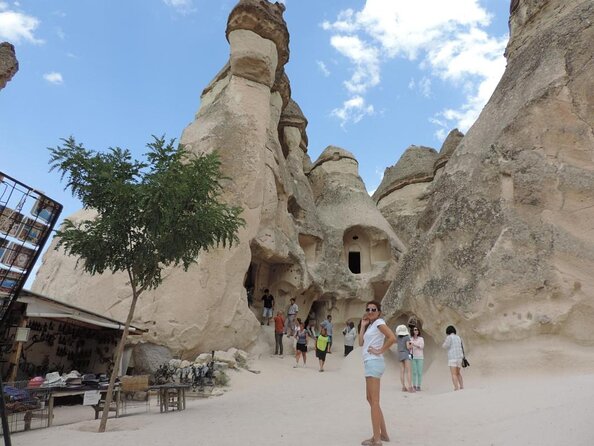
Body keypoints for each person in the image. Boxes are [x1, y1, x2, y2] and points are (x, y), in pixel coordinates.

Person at [359, 301, 396, 446]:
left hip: (374, 362)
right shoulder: (371, 326)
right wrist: (362, 325)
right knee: (370, 399)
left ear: (379, 312)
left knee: (374, 401)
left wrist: (380, 350)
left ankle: (377, 439)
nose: (370, 311)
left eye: (373, 309)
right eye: (368, 309)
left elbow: (392, 338)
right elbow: (361, 343)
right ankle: (384, 434)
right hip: (370, 362)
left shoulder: (379, 322)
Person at [442, 325, 464, 391]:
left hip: (452, 358)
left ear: (447, 331)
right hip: (459, 357)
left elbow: (445, 346)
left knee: (454, 374)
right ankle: (462, 386)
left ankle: (456, 387)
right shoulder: (458, 337)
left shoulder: (449, 337)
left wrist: (444, 342)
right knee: (458, 373)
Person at [395, 324, 413, 392]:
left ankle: (403, 387)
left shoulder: (398, 338)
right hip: (406, 354)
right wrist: (411, 344)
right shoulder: (407, 337)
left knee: (402, 371)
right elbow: (408, 347)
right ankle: (410, 387)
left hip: (399, 354)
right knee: (408, 371)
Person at [410, 326, 425, 391]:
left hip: (420, 357)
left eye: (417, 330)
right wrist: (409, 357)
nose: (416, 331)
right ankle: (414, 385)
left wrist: (414, 345)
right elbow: (409, 348)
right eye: (415, 330)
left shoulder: (421, 339)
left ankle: (419, 386)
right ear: (412, 331)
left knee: (419, 372)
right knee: (414, 372)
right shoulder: (410, 339)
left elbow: (422, 347)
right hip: (413, 357)